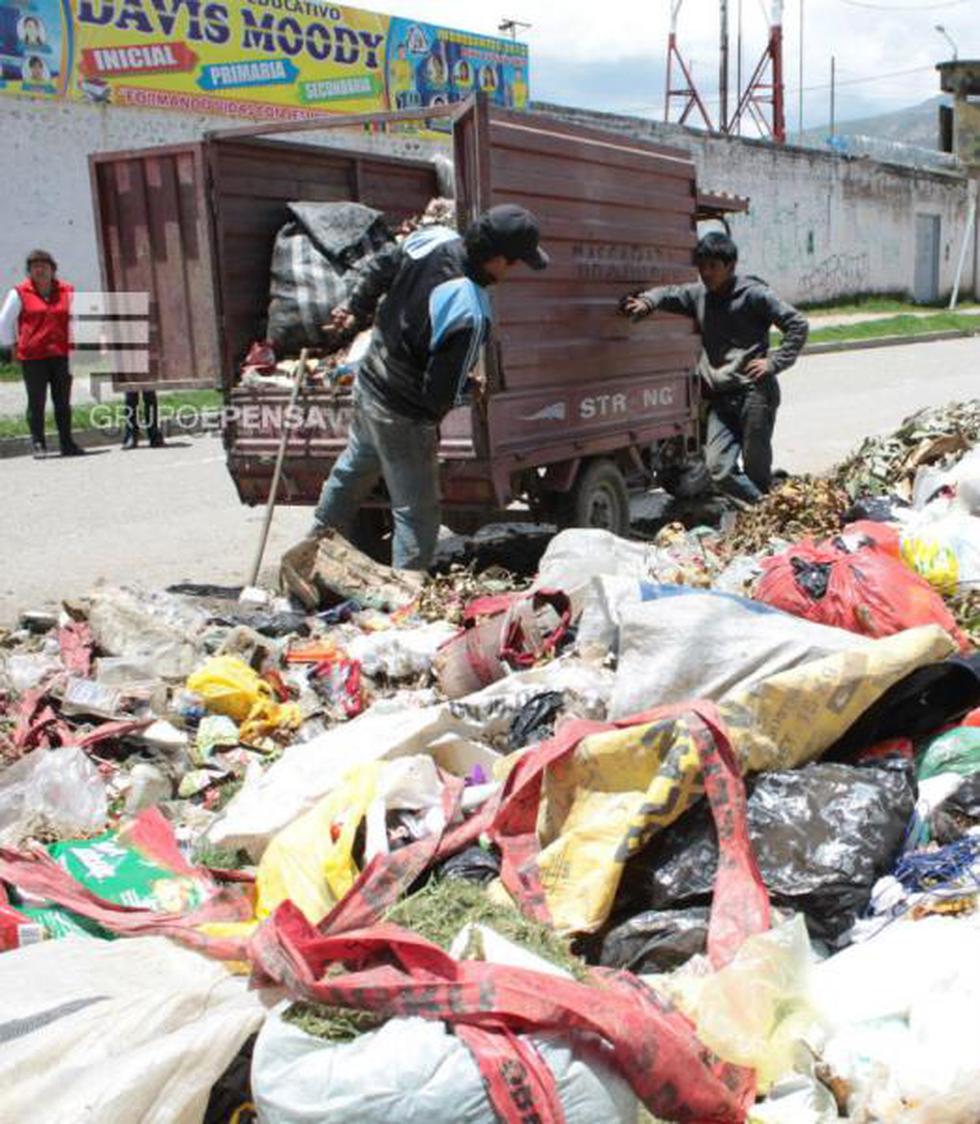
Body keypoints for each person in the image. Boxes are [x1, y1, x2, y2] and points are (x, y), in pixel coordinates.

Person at [311, 204, 549, 570]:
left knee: (355, 467)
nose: (513, 271)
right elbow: (438, 394)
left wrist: (357, 308)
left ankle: (312, 548)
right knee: (416, 509)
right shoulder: (470, 309)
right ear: (497, 259)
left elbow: (378, 268)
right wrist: (470, 390)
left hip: (371, 378)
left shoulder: (434, 239)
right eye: (515, 262)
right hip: (402, 411)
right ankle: (407, 594)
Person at [620, 231, 808, 506]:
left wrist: (774, 362)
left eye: (713, 267)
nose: (706, 273)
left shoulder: (753, 294)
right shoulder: (699, 295)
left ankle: (763, 516)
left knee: (756, 470)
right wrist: (648, 301)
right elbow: (669, 293)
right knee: (719, 468)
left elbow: (798, 324)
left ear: (730, 266)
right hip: (721, 398)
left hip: (755, 394)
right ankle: (766, 509)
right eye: (702, 266)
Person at [0, 248, 84, 457]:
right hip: (33, 356)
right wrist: (11, 346)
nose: (40, 270)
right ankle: (38, 444)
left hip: (62, 354)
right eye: (35, 267)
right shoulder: (19, 292)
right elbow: (4, 321)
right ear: (29, 271)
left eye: (44, 266)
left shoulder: (67, 290)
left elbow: (77, 318)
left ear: (52, 269)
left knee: (63, 401)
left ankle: (67, 443)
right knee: (36, 401)